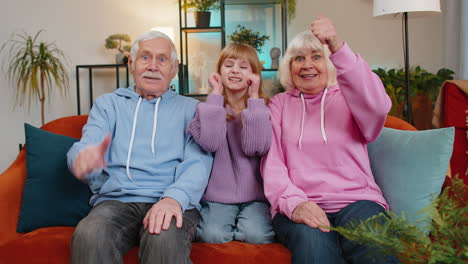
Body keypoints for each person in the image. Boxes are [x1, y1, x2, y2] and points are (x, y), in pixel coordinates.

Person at [67, 30, 213, 264]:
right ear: (132, 64)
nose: (153, 66)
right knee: (90, 235)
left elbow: (198, 163)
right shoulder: (108, 105)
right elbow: (88, 144)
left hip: (171, 200)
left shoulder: (192, 109)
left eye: (162, 59)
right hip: (116, 202)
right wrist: (83, 159)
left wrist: (173, 198)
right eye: (145, 57)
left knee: (163, 240)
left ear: (173, 69)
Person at [261, 16, 396, 264]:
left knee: (373, 247)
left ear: (330, 62)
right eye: (298, 58)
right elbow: (272, 165)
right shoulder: (279, 104)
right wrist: (296, 203)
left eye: (316, 56)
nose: (306, 65)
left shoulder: (349, 98)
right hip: (301, 203)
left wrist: (336, 44)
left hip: (358, 201)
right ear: (289, 67)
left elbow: (378, 107)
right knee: (313, 249)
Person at [186, 43, 274, 244]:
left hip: (256, 197)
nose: (235, 70)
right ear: (219, 72)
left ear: (254, 75)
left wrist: (253, 98)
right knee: (211, 235)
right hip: (217, 198)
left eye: (243, 67)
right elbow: (211, 142)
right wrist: (216, 95)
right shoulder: (207, 108)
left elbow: (256, 147)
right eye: (228, 65)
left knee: (256, 235)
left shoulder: (263, 109)